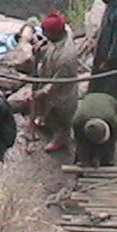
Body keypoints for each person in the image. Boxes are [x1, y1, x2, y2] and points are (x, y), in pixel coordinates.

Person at [32, 12, 79, 153]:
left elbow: (55, 84)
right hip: (50, 75)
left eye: (47, 34)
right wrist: (43, 44)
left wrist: (41, 93)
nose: (45, 36)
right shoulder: (61, 35)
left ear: (55, 33)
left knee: (59, 116)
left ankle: (60, 138)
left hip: (61, 93)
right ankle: (46, 121)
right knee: (47, 110)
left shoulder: (66, 57)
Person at [72, 91, 117, 167]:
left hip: (109, 100)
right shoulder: (77, 121)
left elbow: (111, 141)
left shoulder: (113, 121)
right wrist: (84, 159)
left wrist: (98, 157)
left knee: (107, 157)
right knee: (84, 153)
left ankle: (106, 160)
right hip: (89, 99)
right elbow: (80, 141)